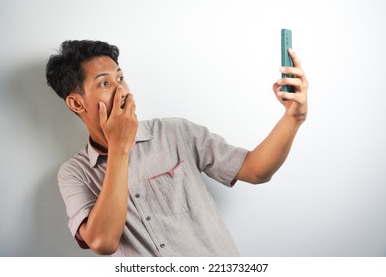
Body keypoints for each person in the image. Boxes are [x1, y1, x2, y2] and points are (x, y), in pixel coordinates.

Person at [46, 40, 308, 257]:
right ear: (77, 103)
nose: (121, 90)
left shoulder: (176, 132)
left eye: (121, 78)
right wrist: (119, 147)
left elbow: (256, 171)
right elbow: (103, 242)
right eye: (104, 83)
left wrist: (292, 118)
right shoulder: (74, 174)